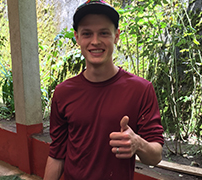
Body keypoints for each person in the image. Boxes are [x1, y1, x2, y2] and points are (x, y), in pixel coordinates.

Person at [43, 0, 164, 180]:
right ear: (77, 38)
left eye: (104, 33)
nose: (95, 41)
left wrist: (138, 143)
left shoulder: (141, 90)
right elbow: (57, 154)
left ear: (116, 36)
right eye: (87, 34)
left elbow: (155, 157)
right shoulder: (63, 92)